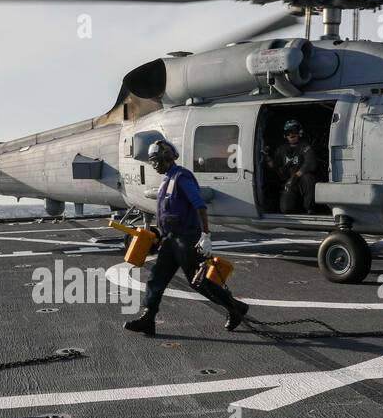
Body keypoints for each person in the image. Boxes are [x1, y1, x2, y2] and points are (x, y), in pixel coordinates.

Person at [123, 138, 249, 336]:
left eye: (156, 161)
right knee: (156, 278)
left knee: (198, 281)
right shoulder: (167, 180)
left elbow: (200, 205)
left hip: (187, 239)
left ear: (167, 158)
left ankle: (235, 307)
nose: (154, 165)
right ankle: (148, 318)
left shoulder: (182, 177)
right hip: (171, 240)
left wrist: (205, 235)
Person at [271, 119, 323, 213]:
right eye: (288, 132)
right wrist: (266, 157)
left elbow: (310, 164)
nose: (291, 134)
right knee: (286, 209)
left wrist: (295, 176)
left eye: (294, 131)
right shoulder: (281, 150)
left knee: (308, 178)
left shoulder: (305, 147)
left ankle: (309, 207)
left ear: (300, 132)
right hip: (288, 182)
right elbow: (274, 166)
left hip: (302, 180)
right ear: (285, 135)